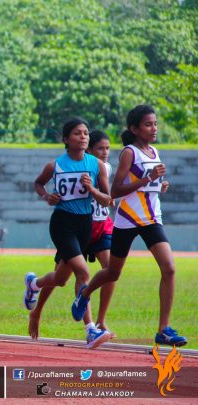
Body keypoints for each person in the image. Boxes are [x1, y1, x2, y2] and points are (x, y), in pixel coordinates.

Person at [71, 105, 187, 347]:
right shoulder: (129, 153)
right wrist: (148, 178)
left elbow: (147, 185)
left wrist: (158, 185)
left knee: (169, 268)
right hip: (129, 219)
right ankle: (85, 293)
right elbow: (115, 191)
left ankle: (163, 330)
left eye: (155, 123)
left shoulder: (154, 151)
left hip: (152, 218)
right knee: (113, 273)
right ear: (134, 129)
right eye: (148, 124)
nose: (154, 128)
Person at [23, 118, 112, 349]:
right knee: (83, 271)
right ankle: (90, 330)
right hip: (62, 223)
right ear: (66, 139)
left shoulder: (97, 165)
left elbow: (107, 199)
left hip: (85, 224)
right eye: (77, 133)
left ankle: (34, 284)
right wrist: (47, 196)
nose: (83, 137)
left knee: (61, 279)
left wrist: (91, 189)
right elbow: (38, 183)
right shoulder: (55, 165)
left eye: (86, 133)